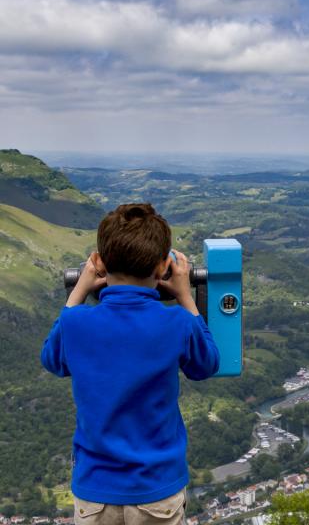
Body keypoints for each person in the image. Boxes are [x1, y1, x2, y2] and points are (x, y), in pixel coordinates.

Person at [41, 203, 220, 525]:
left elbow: (53, 360)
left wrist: (80, 289)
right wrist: (186, 298)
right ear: (164, 266)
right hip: (156, 489)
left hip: (95, 491)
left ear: (98, 262)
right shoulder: (177, 322)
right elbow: (205, 365)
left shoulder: (76, 322)